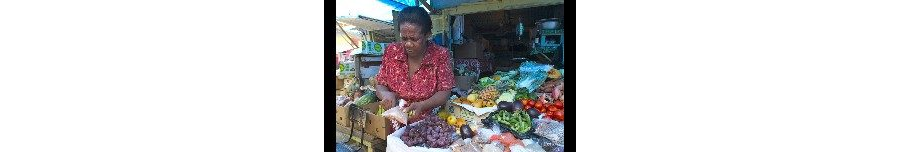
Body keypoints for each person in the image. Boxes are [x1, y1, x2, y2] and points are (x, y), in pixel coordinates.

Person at [375, 6, 454, 123]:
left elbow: (445, 92)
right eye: (404, 38)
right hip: (392, 118)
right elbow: (380, 84)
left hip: (427, 123)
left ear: (428, 34)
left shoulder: (440, 55)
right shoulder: (392, 51)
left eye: (414, 39)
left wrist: (423, 105)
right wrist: (385, 94)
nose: (408, 44)